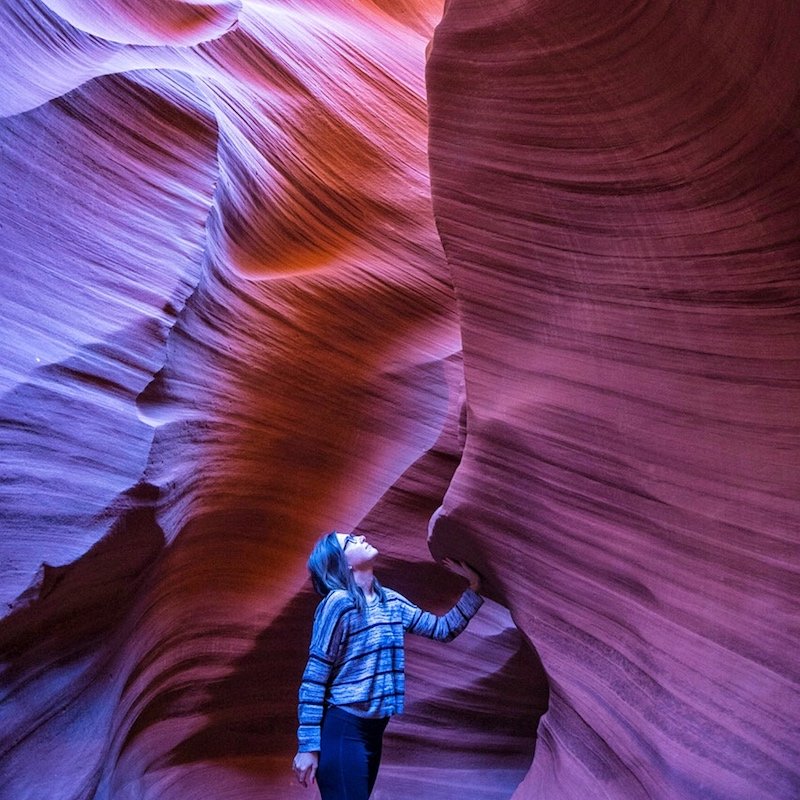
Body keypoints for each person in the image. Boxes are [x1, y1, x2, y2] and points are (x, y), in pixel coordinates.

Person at [292, 530, 483, 798]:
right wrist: (307, 747)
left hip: (373, 731)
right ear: (343, 562)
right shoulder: (338, 604)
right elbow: (314, 678)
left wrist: (474, 588)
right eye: (350, 541)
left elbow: (442, 630)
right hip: (344, 730)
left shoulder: (389, 601)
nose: (359, 537)